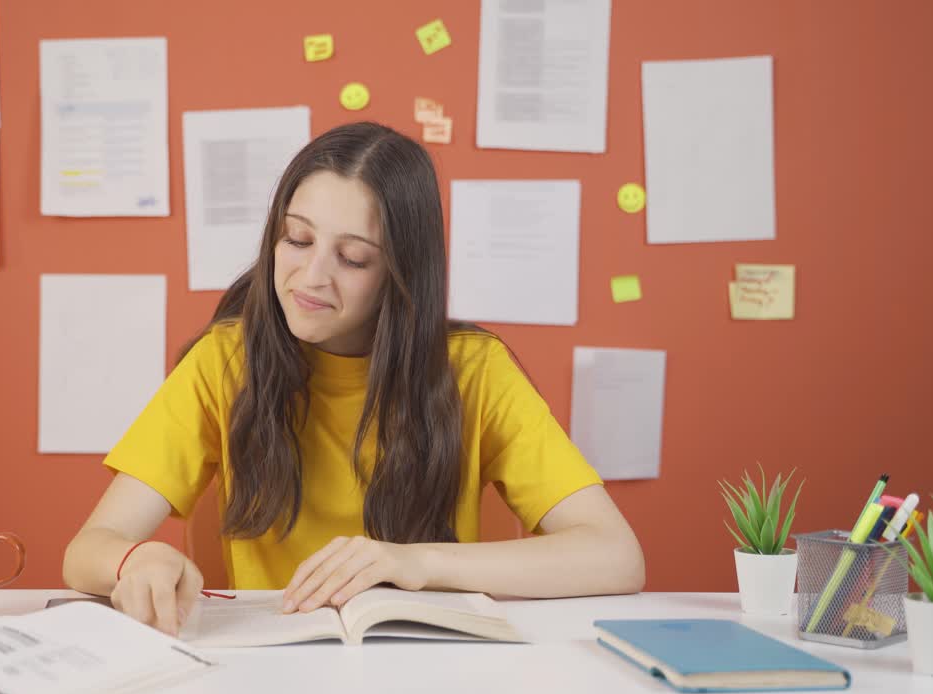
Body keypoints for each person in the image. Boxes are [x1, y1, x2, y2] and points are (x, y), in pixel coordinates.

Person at [62, 122, 644, 636]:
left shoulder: (474, 370)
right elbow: (88, 547)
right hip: (272, 669)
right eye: (298, 239)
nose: (311, 277)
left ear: (400, 273)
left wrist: (418, 563)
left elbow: (615, 555)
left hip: (437, 672)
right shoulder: (225, 361)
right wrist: (135, 561)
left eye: (354, 258)